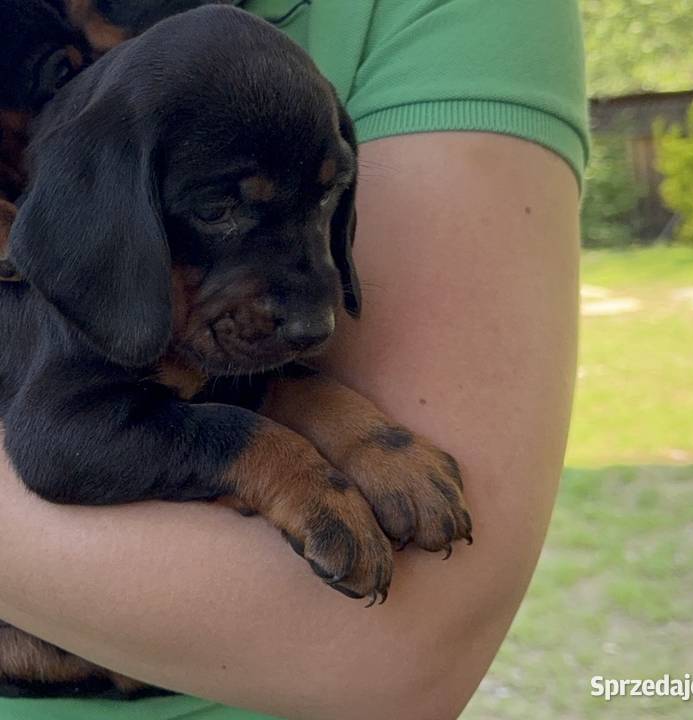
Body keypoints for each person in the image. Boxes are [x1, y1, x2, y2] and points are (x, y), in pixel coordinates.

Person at [0, 1, 587, 718]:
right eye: (220, 211)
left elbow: (392, 664)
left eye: (325, 195)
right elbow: (62, 442)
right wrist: (275, 466)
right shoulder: (98, 271)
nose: (312, 314)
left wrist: (353, 428)